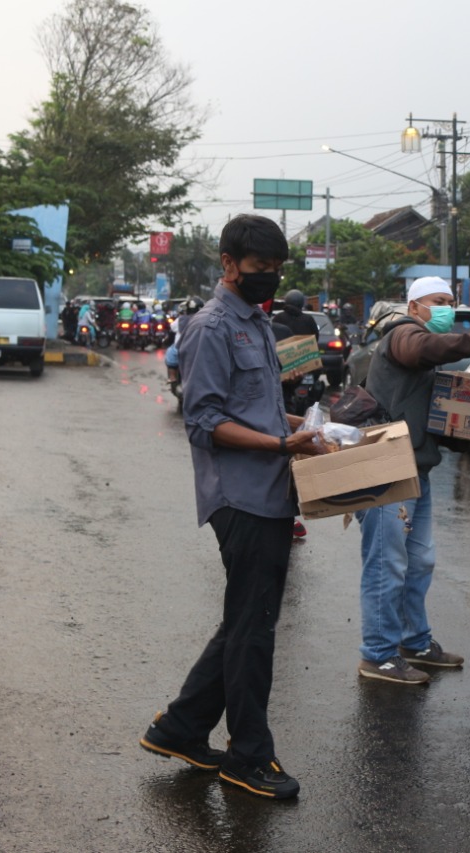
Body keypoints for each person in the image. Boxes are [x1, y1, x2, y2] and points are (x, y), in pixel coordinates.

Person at [139, 214, 325, 800]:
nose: (266, 279)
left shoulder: (259, 325)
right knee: (254, 632)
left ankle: (182, 727)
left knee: (246, 619)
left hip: (271, 491)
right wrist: (278, 443)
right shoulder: (212, 327)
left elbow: (263, 409)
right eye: (257, 269)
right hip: (240, 498)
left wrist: (317, 428)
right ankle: (248, 757)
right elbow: (204, 422)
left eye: (275, 270)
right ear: (228, 265)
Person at [355, 276, 470, 685]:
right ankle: (377, 655)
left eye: (451, 300)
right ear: (414, 307)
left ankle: (413, 642)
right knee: (387, 563)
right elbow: (422, 347)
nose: (447, 307)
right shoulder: (402, 337)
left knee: (419, 561)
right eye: (438, 301)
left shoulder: (436, 364)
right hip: (385, 470)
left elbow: (442, 427)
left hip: (418, 471)